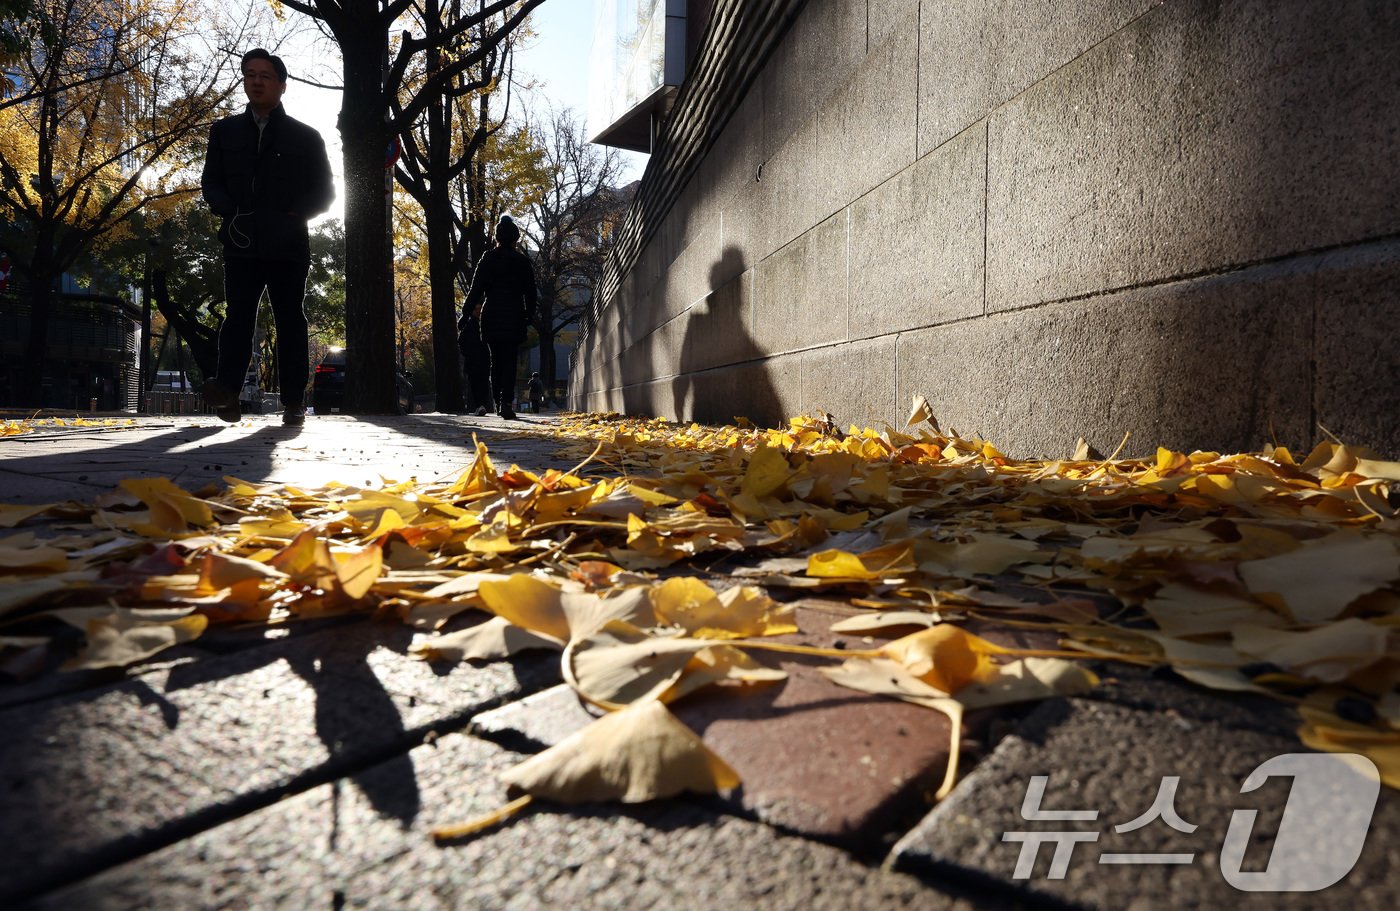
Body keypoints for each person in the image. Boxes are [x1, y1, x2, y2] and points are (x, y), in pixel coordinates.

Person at [200, 48, 334, 426]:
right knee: (238, 316)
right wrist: (229, 211)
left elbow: (325, 193)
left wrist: (292, 216)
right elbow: (211, 182)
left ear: (281, 85)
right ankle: (226, 392)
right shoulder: (223, 131)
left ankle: (293, 401)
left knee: (290, 319)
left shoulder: (306, 137)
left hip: (288, 246)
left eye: (265, 75)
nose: (256, 81)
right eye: (249, 74)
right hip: (240, 242)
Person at [462, 215, 537, 420]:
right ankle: (506, 401)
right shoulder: (522, 262)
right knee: (510, 360)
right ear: (515, 239)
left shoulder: (487, 259)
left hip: (492, 314)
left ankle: (497, 400)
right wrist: (529, 315)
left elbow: (475, 290)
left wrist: (465, 314)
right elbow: (531, 292)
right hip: (514, 315)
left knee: (495, 360)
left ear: (496, 238)